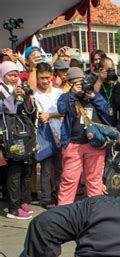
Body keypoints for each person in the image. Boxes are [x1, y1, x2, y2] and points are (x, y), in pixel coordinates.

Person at [56, 67, 110, 205]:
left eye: (82, 81)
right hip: (73, 144)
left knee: (94, 179)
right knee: (69, 180)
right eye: (76, 82)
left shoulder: (92, 95)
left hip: (95, 144)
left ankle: (95, 210)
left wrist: (93, 95)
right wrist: (73, 94)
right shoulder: (65, 97)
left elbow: (107, 110)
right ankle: (64, 211)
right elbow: (62, 109)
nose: (81, 85)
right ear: (69, 83)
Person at [0, 61, 35, 220]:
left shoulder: (21, 87)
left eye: (16, 75)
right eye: (10, 75)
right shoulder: (1, 90)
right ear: (3, 75)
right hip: (11, 136)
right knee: (14, 170)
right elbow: (5, 110)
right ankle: (13, 208)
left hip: (23, 135)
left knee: (25, 168)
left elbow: (29, 110)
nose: (14, 78)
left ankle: (23, 201)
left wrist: (26, 96)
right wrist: (12, 96)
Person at [33, 62, 63, 209]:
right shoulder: (35, 95)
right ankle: (46, 197)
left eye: (47, 77)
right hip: (44, 135)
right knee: (45, 169)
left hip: (60, 134)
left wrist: (50, 114)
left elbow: (64, 112)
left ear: (52, 76)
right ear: (37, 77)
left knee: (60, 168)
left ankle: (60, 194)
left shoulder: (58, 93)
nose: (45, 81)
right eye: (41, 78)